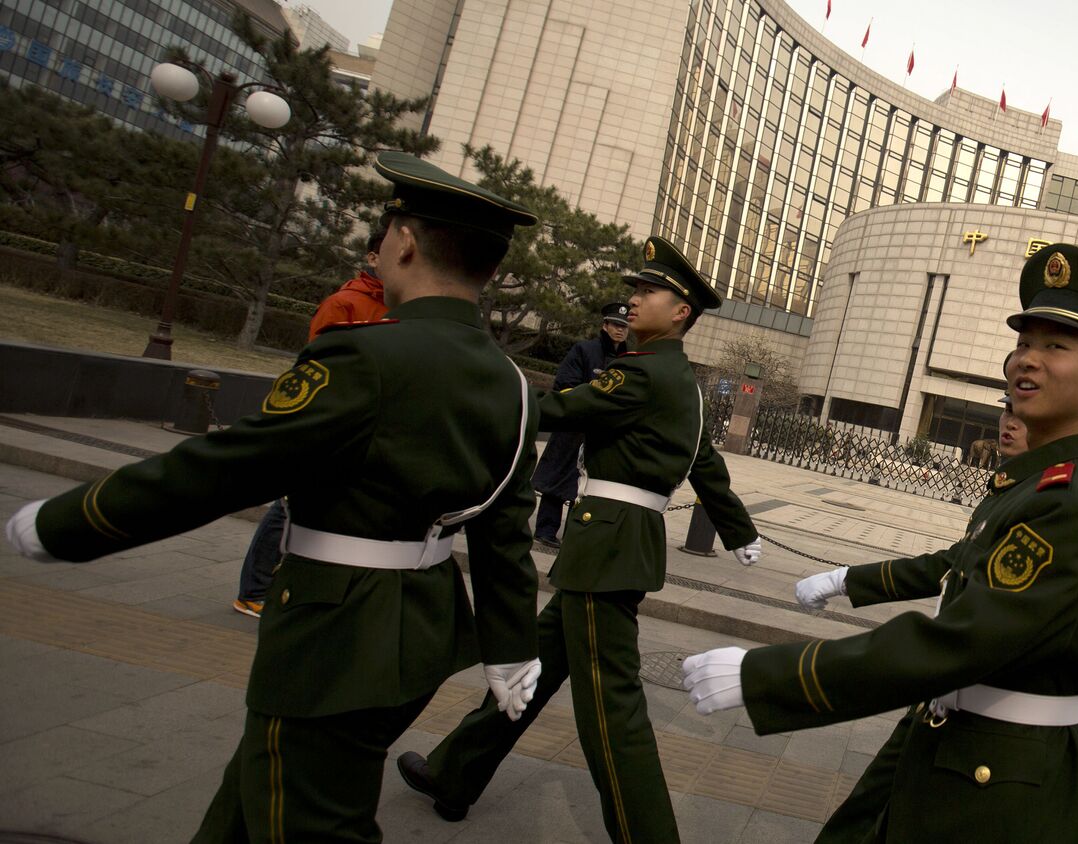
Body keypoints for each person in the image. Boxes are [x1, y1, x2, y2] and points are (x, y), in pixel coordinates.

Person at [6, 152, 546, 842]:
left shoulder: (367, 357)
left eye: (386, 231)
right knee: (255, 797)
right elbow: (502, 528)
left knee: (311, 820)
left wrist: (69, 522)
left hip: (336, 639)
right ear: (491, 268)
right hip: (424, 629)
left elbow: (227, 466)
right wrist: (509, 646)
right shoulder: (513, 384)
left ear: (405, 241)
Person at [685, 243, 1078, 841]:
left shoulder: (1064, 501)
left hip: (998, 787)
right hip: (961, 746)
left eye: (1055, 347)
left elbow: (964, 639)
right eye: (1023, 343)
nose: (1026, 361)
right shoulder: (1036, 484)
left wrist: (774, 677)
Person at [396, 236, 764, 843]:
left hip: (607, 549)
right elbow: (704, 461)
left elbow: (557, 410)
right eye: (636, 288)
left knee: (610, 710)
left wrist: (467, 390)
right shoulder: (683, 384)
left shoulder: (642, 373)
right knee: (533, 670)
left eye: (649, 291)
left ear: (680, 313)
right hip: (616, 547)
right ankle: (453, 775)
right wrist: (738, 530)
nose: (633, 299)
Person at [231, 227, 395, 617]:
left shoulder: (399, 307)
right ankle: (253, 590)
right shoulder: (345, 304)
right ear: (372, 258)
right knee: (287, 505)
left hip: (366, 427)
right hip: (328, 422)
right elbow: (317, 367)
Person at [530, 302, 633, 547]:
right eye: (616, 325)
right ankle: (545, 528)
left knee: (588, 488)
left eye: (625, 326)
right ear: (605, 325)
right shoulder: (584, 350)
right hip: (573, 428)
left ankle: (575, 534)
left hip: (603, 433)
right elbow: (565, 385)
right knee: (557, 480)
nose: (620, 330)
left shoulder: (629, 360)